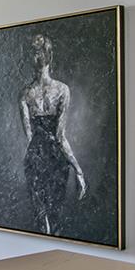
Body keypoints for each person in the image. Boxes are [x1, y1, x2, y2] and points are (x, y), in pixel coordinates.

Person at [20, 34, 86, 234]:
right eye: (35, 53)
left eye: (37, 53)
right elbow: (59, 136)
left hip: (36, 159)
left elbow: (30, 137)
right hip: (54, 160)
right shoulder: (62, 90)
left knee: (43, 220)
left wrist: (33, 160)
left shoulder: (25, 94)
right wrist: (78, 170)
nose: (36, 57)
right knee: (53, 218)